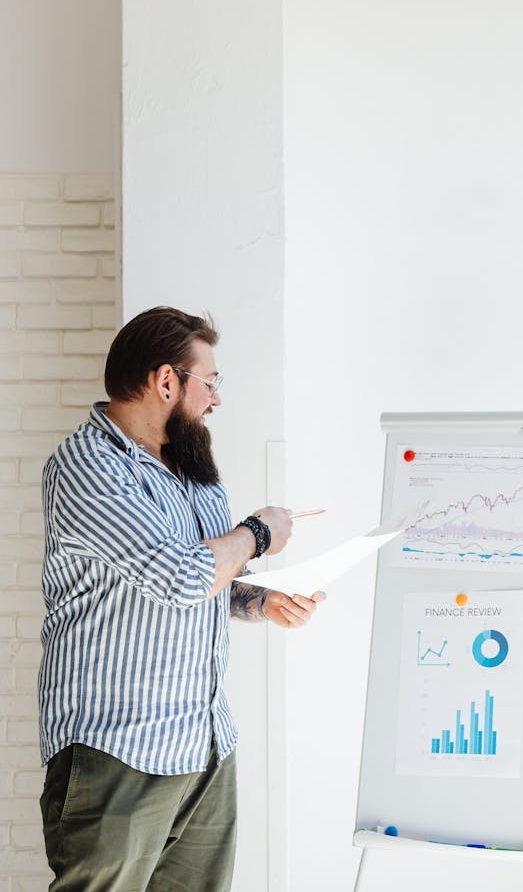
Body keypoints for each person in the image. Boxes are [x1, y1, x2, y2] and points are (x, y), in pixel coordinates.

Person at [38, 306, 324, 891]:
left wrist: (258, 601)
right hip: (120, 749)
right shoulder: (87, 466)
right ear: (166, 381)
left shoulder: (193, 469)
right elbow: (180, 577)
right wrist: (258, 533)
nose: (216, 400)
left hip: (206, 744)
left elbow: (204, 587)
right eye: (210, 383)